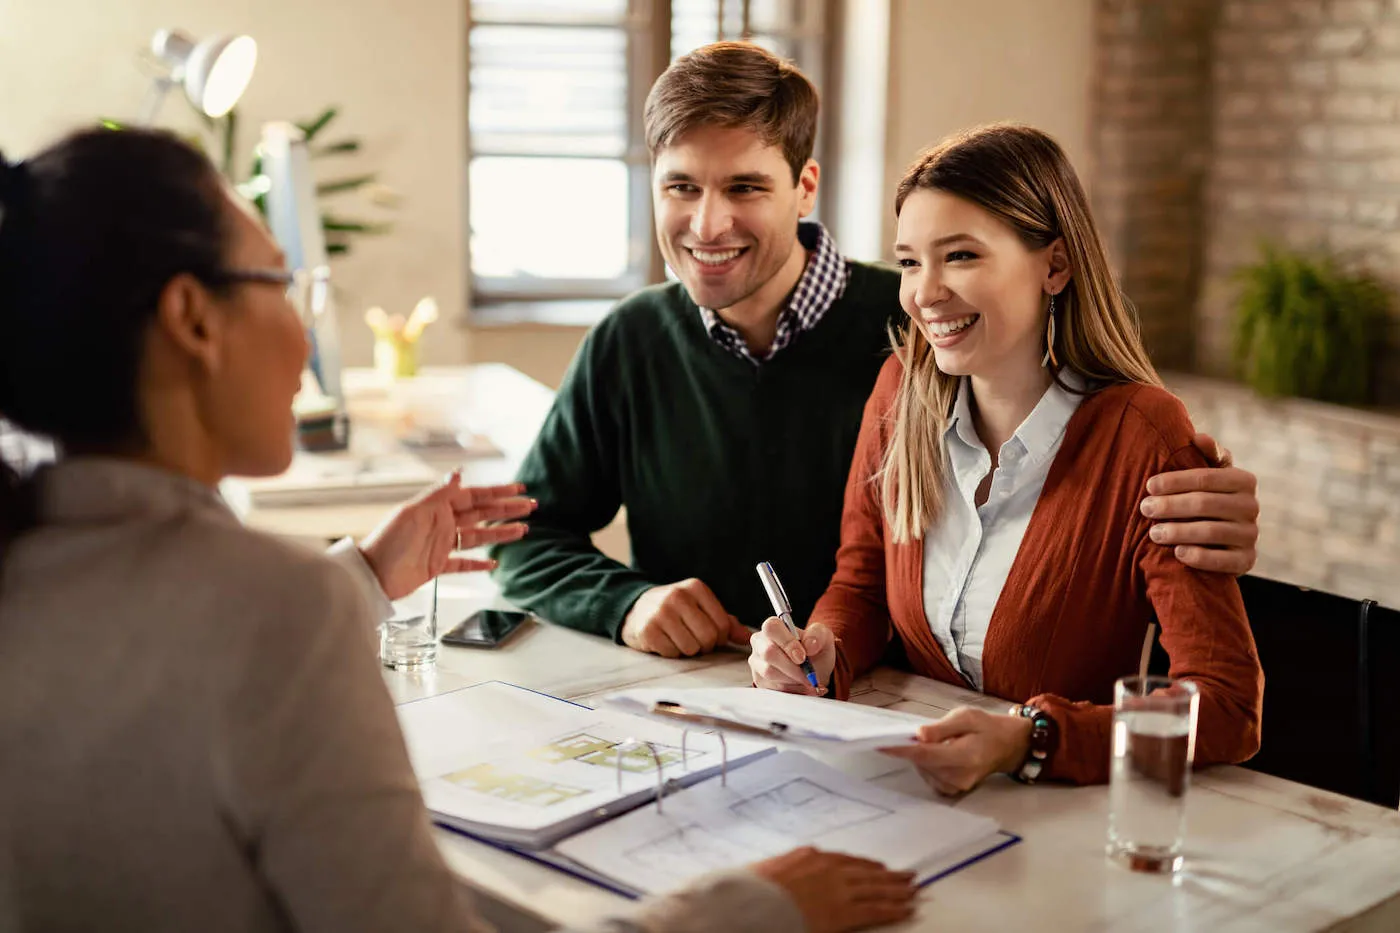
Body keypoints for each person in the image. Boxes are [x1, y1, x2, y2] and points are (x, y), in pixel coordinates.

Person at [0, 127, 918, 933]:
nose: (304, 327)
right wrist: (749, 910)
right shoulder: (279, 609)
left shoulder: (30, 556)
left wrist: (359, 574)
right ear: (193, 320)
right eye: (280, 280)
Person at [491, 42, 1263, 660]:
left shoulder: (927, 338)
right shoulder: (630, 341)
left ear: (805, 187)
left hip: (901, 711)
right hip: (705, 705)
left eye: (746, 188)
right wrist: (628, 603)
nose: (707, 223)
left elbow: (1072, 465)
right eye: (681, 187)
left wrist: (1193, 494)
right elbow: (526, 539)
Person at [748, 124, 1264, 790]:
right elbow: (862, 581)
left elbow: (1226, 705)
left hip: (1065, 824)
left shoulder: (1144, 437)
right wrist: (823, 648)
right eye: (910, 261)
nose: (924, 292)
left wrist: (1035, 737)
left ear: (1054, 264)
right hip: (909, 798)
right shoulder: (900, 395)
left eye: (960, 255)